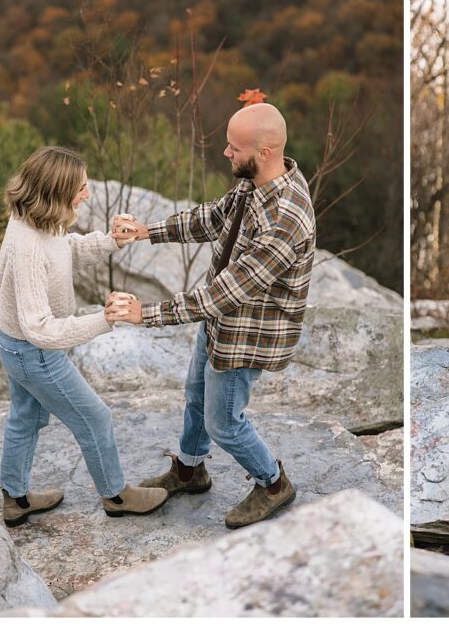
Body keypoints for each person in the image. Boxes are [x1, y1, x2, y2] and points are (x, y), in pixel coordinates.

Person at [107, 102, 315, 529]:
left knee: (224, 422)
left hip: (247, 334)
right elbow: (213, 217)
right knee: (195, 394)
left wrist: (145, 314)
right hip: (220, 324)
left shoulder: (286, 219)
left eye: (234, 148)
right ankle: (190, 469)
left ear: (266, 151)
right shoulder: (255, 182)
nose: (226, 153)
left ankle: (273, 484)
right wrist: (147, 232)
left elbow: (222, 296)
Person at [0, 146, 168, 527]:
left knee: (26, 417)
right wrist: (103, 320)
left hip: (13, 343)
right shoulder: (29, 247)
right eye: (81, 188)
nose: (87, 194)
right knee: (95, 418)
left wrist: (111, 241)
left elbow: (65, 249)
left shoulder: (32, 219)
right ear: (56, 191)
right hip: (33, 351)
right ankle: (116, 495)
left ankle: (15, 499)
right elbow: (40, 328)